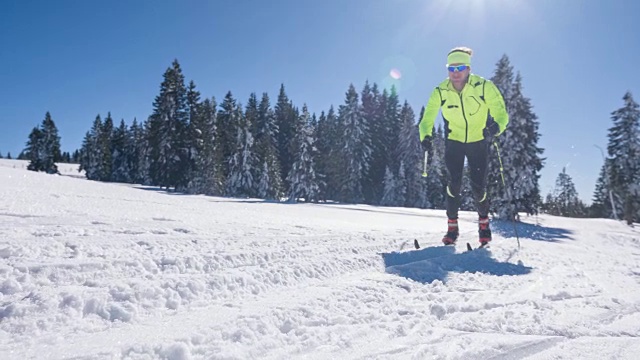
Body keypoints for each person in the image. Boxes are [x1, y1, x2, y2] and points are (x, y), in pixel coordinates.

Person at [418, 47, 509, 246]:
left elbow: (501, 113)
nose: (455, 72)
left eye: (460, 67)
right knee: (454, 184)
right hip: (455, 142)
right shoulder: (440, 91)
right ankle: (452, 228)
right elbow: (427, 119)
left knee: (478, 188)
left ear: (468, 68)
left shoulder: (484, 87)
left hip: (478, 142)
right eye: (451, 68)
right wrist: (426, 136)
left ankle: (484, 224)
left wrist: (496, 127)